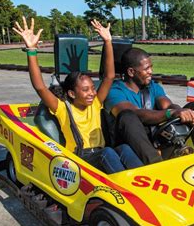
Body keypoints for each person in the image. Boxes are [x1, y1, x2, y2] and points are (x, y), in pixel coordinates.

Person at [13, 16, 142, 174]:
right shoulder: (62, 108)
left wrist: (108, 42)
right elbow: (40, 87)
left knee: (124, 148)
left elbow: (109, 77)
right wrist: (31, 50)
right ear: (72, 94)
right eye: (86, 90)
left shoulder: (95, 103)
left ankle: (144, 180)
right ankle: (126, 189)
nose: (92, 93)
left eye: (92, 89)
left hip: (102, 154)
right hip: (79, 159)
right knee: (108, 153)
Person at [104, 48, 194, 164]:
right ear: (131, 72)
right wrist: (171, 113)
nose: (151, 71)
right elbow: (138, 114)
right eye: (146, 69)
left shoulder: (152, 87)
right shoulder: (115, 91)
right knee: (127, 116)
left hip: (156, 139)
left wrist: (184, 112)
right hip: (131, 147)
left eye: (151, 67)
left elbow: (168, 105)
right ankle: (155, 164)